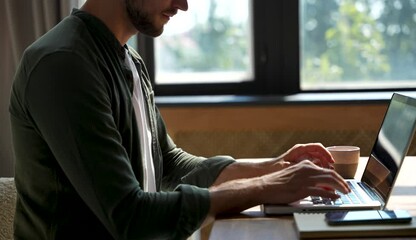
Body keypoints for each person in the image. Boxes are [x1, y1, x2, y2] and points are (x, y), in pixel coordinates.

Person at [9, 0, 350, 239]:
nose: (183, 4)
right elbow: (130, 216)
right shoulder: (63, 65)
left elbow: (169, 165)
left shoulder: (128, 59)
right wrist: (263, 188)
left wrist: (273, 168)